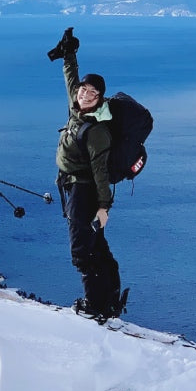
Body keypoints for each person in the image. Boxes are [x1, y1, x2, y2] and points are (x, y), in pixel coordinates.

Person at [51, 27, 124, 323]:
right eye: (84, 89)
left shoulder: (97, 132)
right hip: (73, 187)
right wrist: (70, 53)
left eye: (92, 92)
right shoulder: (77, 108)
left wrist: (104, 207)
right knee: (97, 245)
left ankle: (94, 305)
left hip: (85, 192)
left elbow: (100, 171)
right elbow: (71, 78)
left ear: (100, 98)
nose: (85, 93)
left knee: (82, 249)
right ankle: (108, 298)